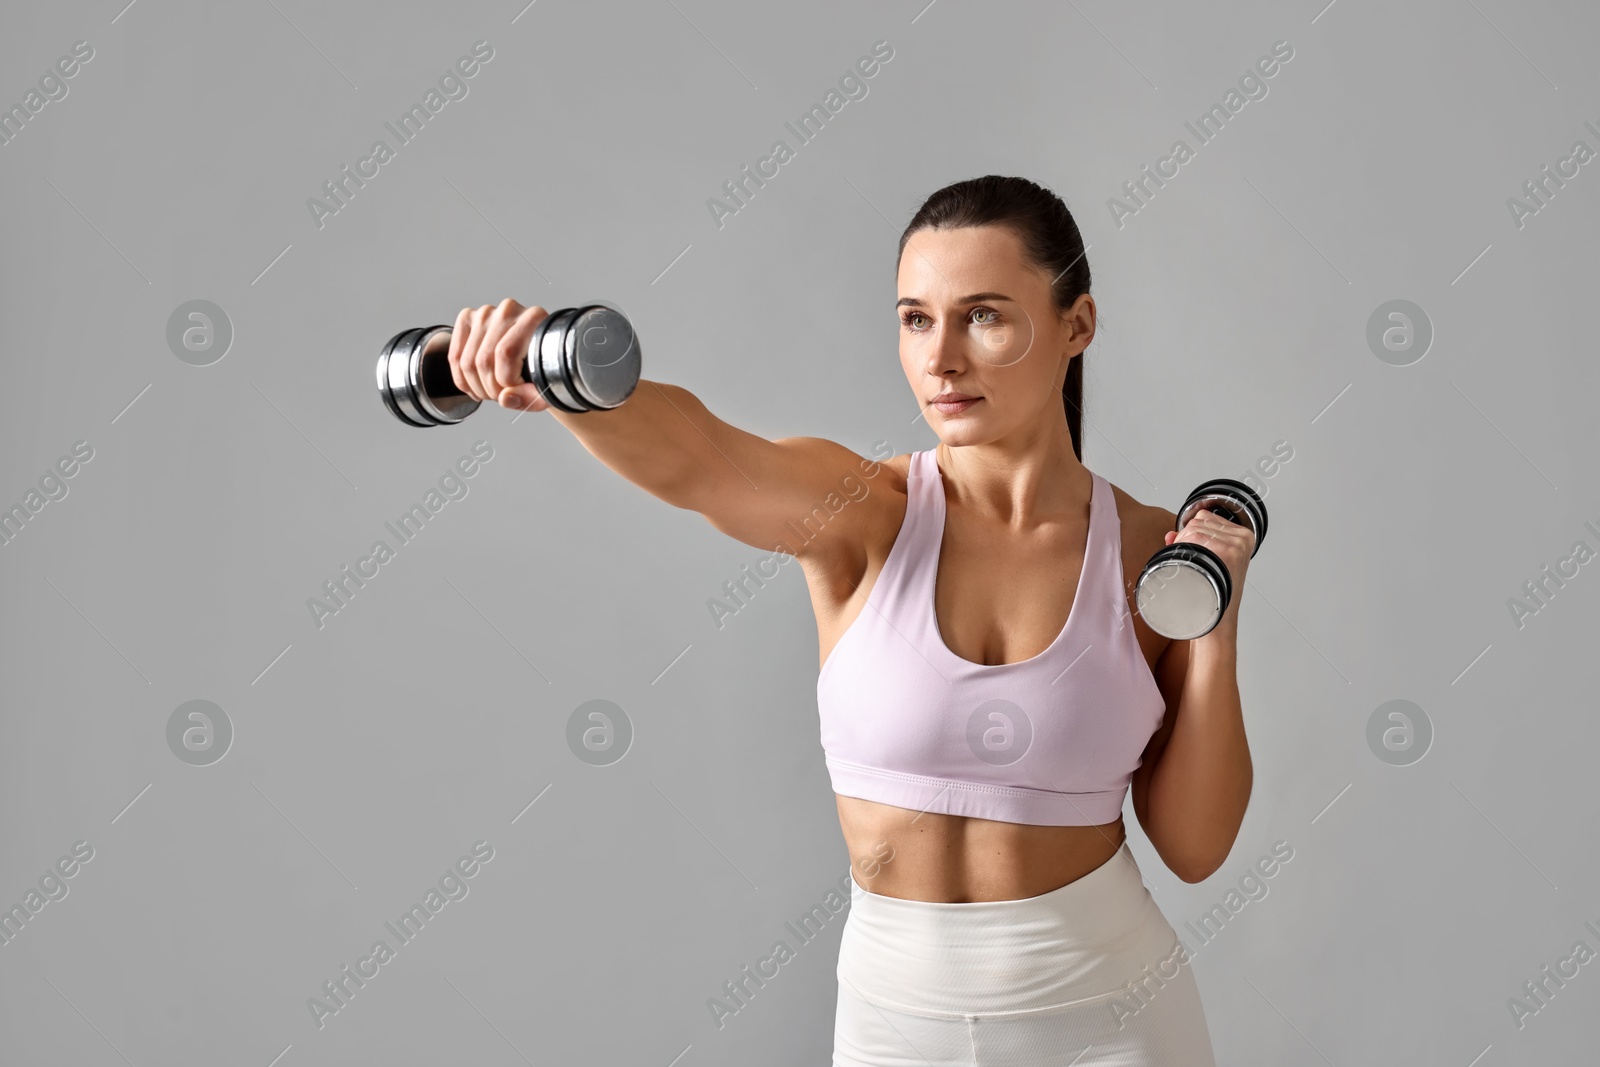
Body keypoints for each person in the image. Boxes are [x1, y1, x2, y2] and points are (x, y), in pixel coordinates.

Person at [444, 174, 1253, 1066]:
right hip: (896, 1025)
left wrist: (1214, 628)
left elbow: (1195, 846)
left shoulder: (1149, 552)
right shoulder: (861, 515)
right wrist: (568, 379)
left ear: (1077, 324)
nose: (941, 358)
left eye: (982, 315)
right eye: (915, 318)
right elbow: (702, 458)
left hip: (1111, 1017)